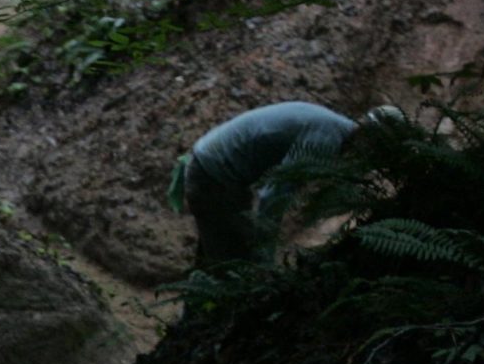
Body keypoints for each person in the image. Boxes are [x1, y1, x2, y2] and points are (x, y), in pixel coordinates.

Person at [170, 101, 397, 267]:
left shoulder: (333, 129)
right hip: (214, 175)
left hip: (213, 170)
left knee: (215, 262)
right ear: (370, 137)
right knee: (236, 268)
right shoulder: (326, 138)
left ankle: (189, 326)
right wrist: (265, 259)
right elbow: (274, 195)